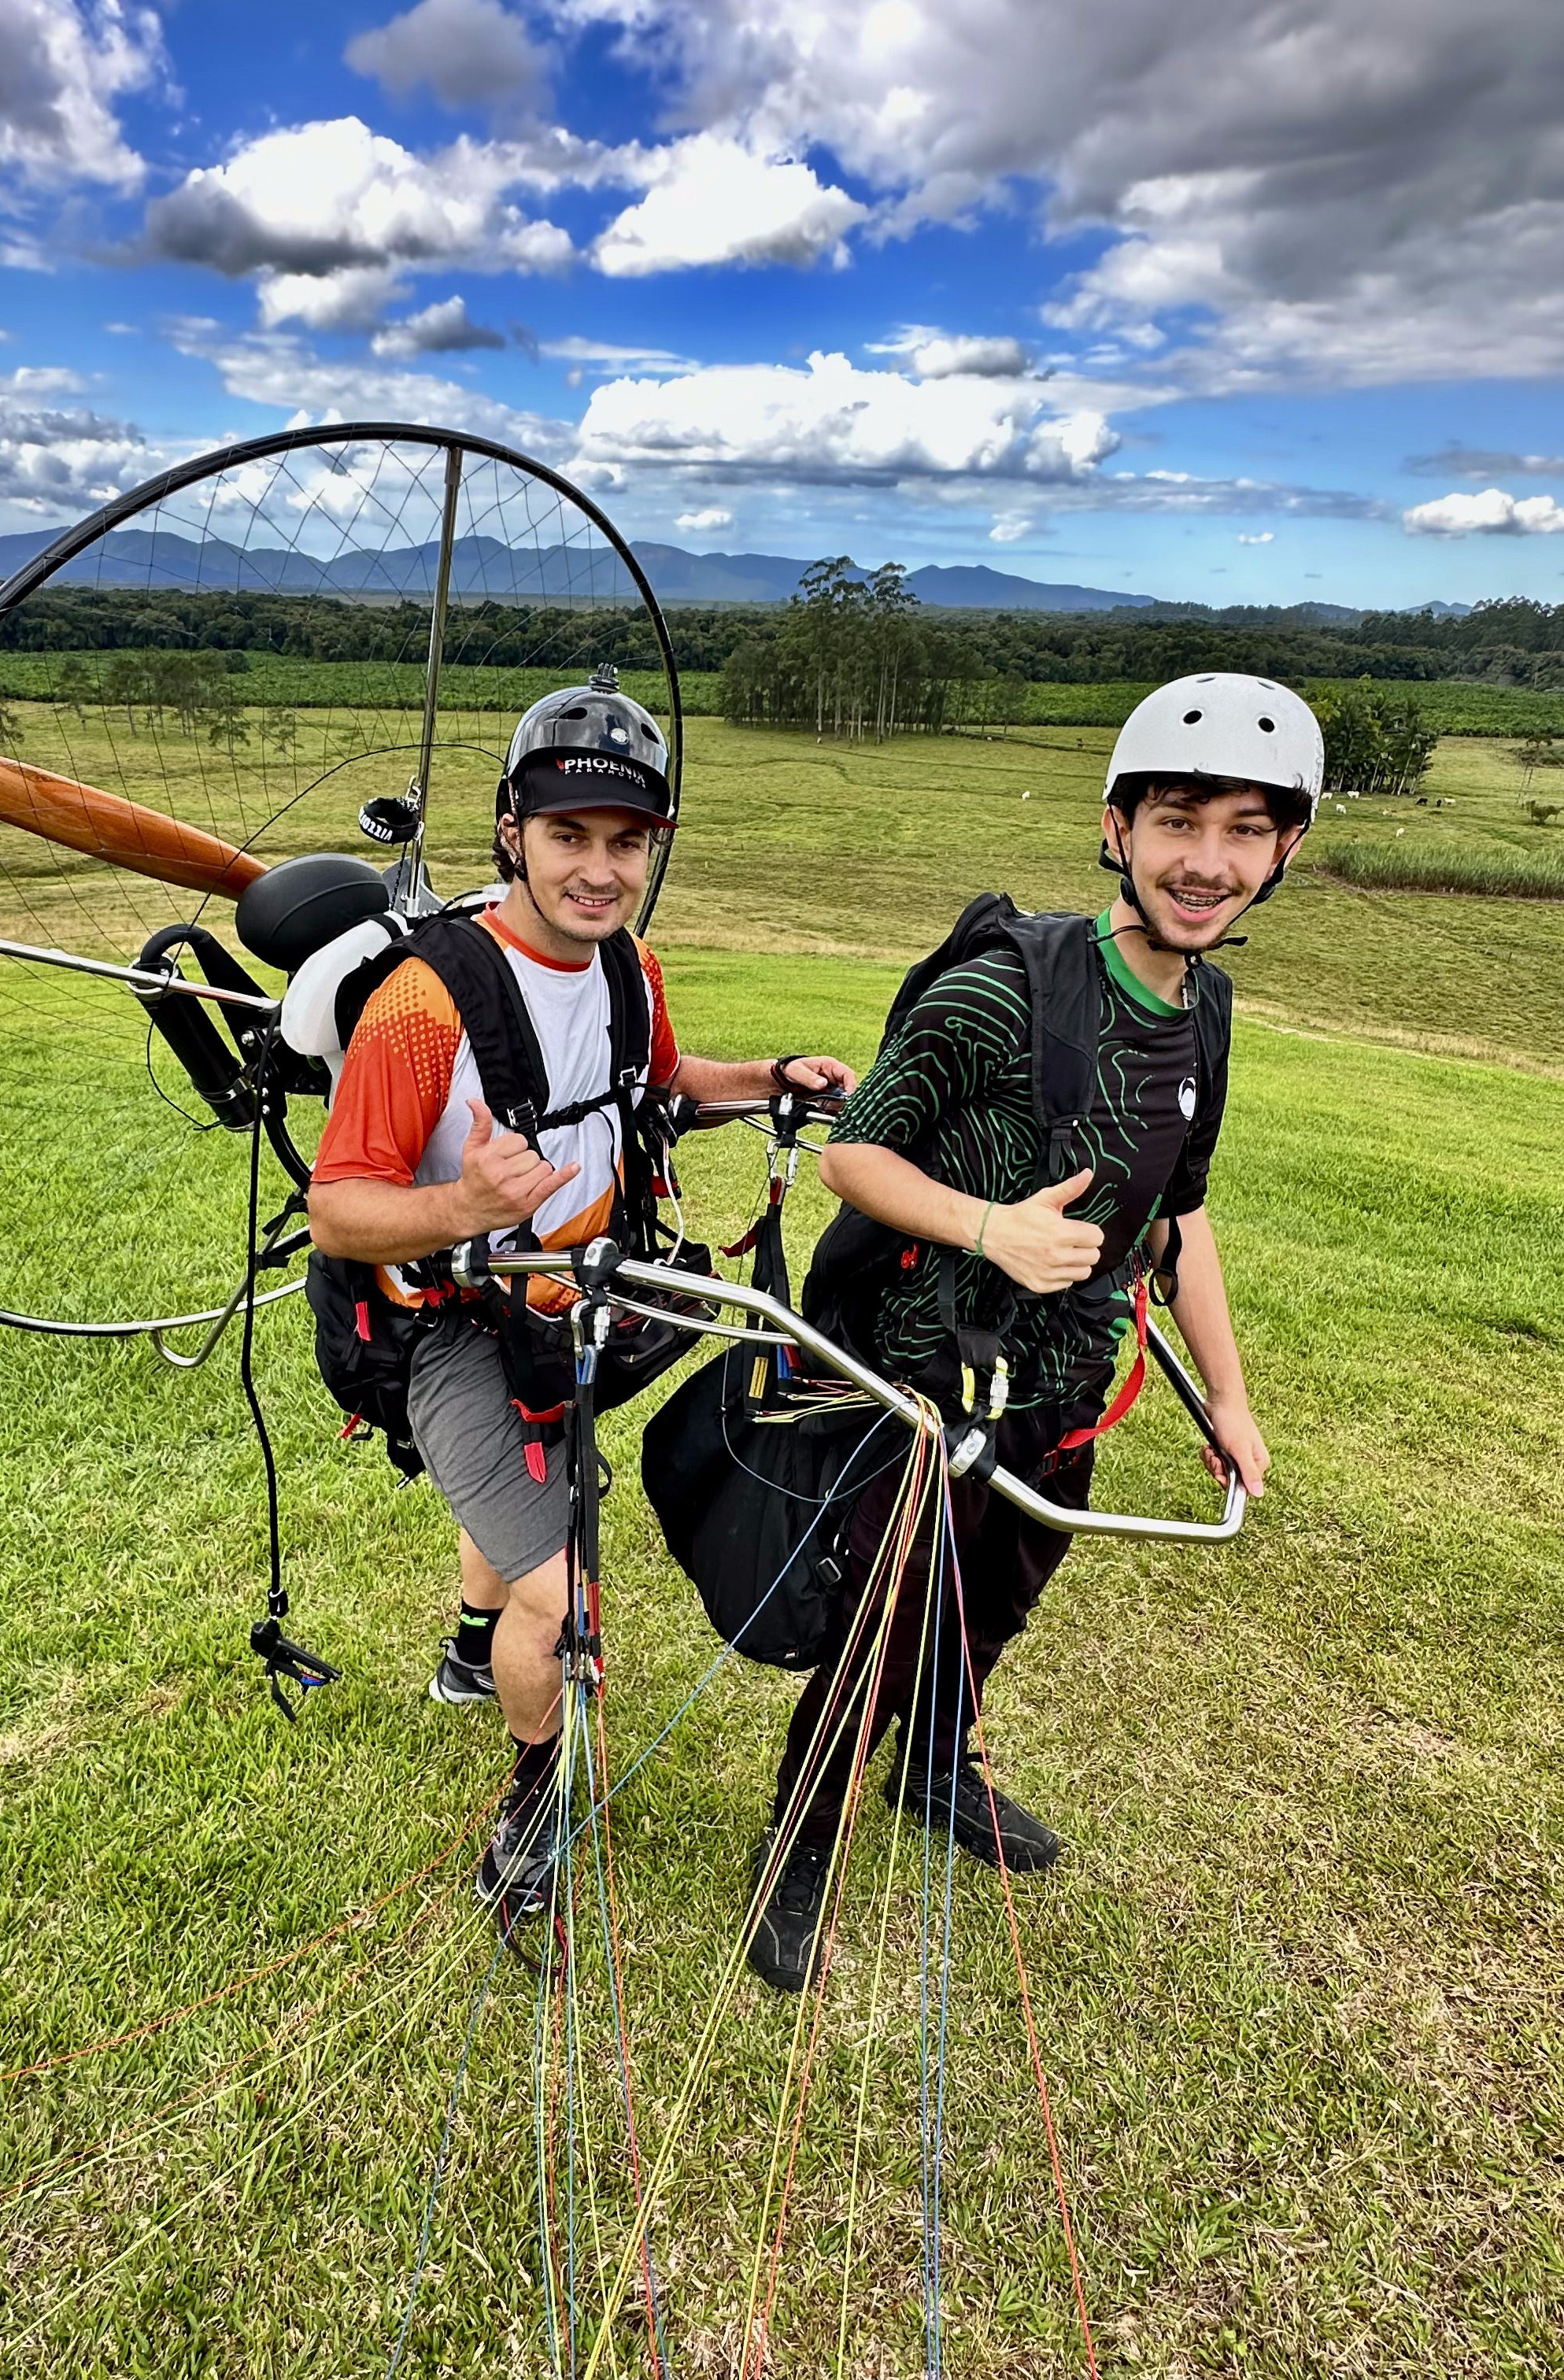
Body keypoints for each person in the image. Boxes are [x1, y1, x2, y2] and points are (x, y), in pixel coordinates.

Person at [745, 671, 1319, 1994]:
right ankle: (800, 1851)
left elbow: (1182, 1218)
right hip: (931, 1387)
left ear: (1286, 851)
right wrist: (991, 1226)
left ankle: (940, 1774)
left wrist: (1228, 1398)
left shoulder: (1206, 1013)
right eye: (1181, 820)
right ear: (1118, 826)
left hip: (1066, 1393)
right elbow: (856, 1159)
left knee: (993, 1608)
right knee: (878, 1637)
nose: (1209, 861)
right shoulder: (1005, 988)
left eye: (1246, 829)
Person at [304, 672, 855, 1919]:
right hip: (450, 1323)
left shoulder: (629, 972)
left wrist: (768, 1077)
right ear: (513, 828)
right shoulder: (422, 1002)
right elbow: (341, 1206)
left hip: (579, 1305)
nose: (599, 871)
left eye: (625, 843)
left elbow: (658, 1087)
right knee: (560, 1603)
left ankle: (463, 1646)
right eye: (569, 837)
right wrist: (460, 1209)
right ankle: (533, 1797)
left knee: (535, 1487)